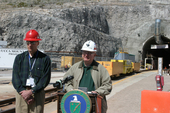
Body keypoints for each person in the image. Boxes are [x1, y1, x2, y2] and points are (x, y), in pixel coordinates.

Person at [63, 40, 112, 113]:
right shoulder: (74, 68)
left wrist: (97, 92)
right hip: (78, 105)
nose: (86, 55)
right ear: (82, 53)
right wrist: (71, 91)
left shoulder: (101, 69)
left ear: (94, 54)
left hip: (95, 105)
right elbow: (66, 81)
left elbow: (108, 85)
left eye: (89, 53)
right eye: (85, 52)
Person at [12, 29, 51, 113]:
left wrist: (32, 91)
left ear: (38, 43)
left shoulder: (45, 59)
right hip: (21, 94)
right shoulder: (19, 58)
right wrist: (24, 93)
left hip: (37, 93)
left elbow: (45, 79)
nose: (30, 45)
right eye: (28, 42)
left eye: (33, 43)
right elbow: (15, 77)